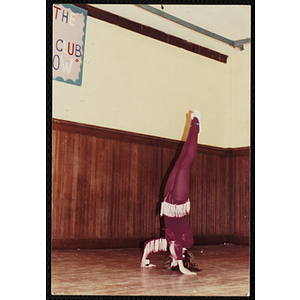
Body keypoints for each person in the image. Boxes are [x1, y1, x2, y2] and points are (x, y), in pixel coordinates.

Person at [140, 110, 202, 275]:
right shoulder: (187, 242)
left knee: (179, 161)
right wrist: (181, 267)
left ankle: (193, 126)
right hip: (179, 201)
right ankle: (195, 126)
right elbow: (177, 246)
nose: (174, 258)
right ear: (183, 257)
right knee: (184, 165)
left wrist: (145, 261)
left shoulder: (168, 242)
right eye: (178, 260)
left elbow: (149, 245)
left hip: (167, 201)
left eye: (173, 261)